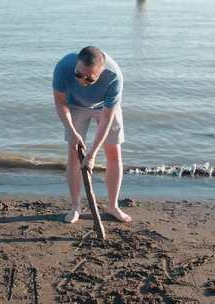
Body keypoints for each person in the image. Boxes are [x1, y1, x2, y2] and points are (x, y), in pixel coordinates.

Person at [52, 46, 132, 223]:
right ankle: (75, 207)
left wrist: (93, 153)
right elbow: (60, 102)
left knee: (113, 152)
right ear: (76, 66)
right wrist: (72, 131)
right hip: (74, 106)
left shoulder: (114, 76)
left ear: (101, 72)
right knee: (73, 152)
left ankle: (113, 206)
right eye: (79, 75)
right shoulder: (63, 67)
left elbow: (107, 117)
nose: (82, 81)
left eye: (89, 79)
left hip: (103, 107)